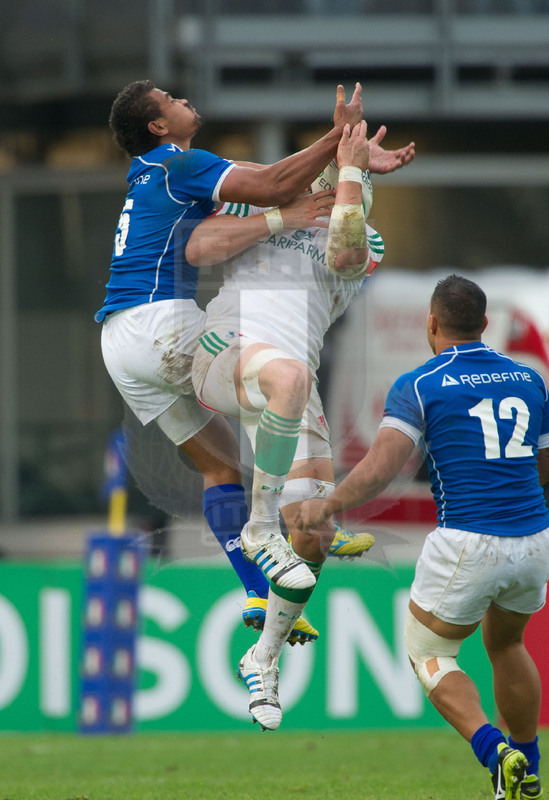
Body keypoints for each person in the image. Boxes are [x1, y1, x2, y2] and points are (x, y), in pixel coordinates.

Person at [96, 79, 414, 643]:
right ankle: (284, 519)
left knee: (221, 469)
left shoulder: (160, 174)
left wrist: (353, 168)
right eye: (170, 99)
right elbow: (270, 184)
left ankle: (254, 589)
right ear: (158, 126)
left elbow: (281, 188)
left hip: (120, 341)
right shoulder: (180, 164)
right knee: (267, 382)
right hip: (161, 323)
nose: (183, 98)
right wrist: (338, 141)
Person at [295, 275, 549, 800]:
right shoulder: (530, 380)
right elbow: (542, 463)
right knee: (507, 643)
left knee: (427, 651)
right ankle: (530, 767)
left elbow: (383, 466)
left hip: (468, 539)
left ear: (430, 323)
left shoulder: (420, 383)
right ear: (484, 325)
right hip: (533, 537)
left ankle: (494, 751)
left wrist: (328, 503)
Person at [189, 119, 383, 730]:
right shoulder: (261, 204)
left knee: (315, 535)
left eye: (346, 180)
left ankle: (263, 660)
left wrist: (351, 171)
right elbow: (202, 245)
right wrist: (285, 212)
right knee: (287, 380)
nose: (329, 184)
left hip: (292, 385)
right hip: (228, 348)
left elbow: (348, 251)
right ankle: (258, 527)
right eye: (329, 173)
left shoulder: (364, 242)